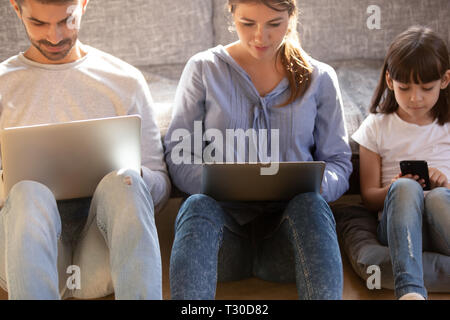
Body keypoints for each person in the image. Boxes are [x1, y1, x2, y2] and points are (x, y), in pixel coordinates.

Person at [164, 0, 352, 300]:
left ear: (291, 18)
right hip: (224, 241)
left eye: (274, 24)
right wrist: (219, 185)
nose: (260, 37)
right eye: (247, 23)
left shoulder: (320, 77)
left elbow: (339, 161)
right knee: (196, 206)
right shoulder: (203, 69)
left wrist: (315, 187)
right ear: (232, 15)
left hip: (289, 242)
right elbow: (178, 152)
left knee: (312, 206)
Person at [0, 0, 170, 299]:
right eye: (38, 23)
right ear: (16, 8)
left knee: (127, 181)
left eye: (66, 21)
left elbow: (161, 183)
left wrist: (133, 176)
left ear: (84, 4)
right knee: (29, 192)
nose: (54, 37)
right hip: (25, 252)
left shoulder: (125, 81)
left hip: (102, 248)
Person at [352, 26, 450, 300]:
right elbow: (369, 199)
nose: (414, 98)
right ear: (389, 80)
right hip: (400, 230)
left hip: (444, 226)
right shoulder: (376, 127)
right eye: (404, 88)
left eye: (426, 88)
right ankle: (410, 292)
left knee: (438, 197)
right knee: (407, 189)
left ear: (444, 80)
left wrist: (445, 183)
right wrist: (395, 187)